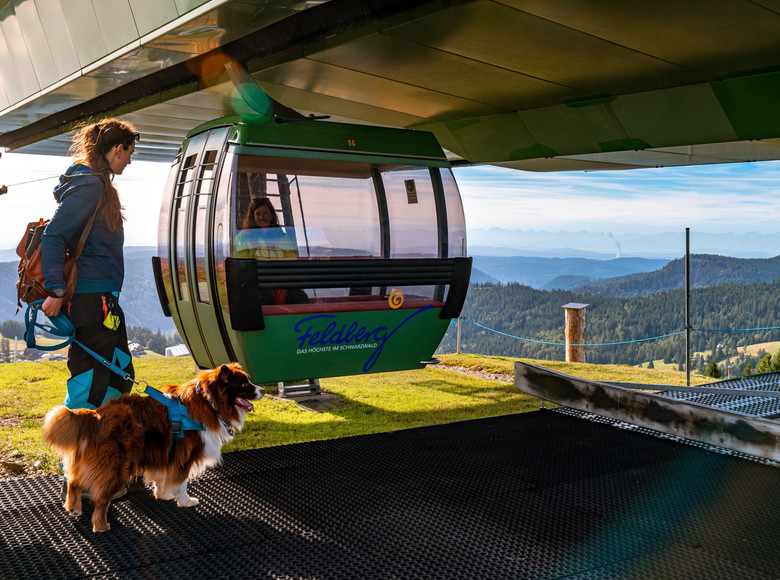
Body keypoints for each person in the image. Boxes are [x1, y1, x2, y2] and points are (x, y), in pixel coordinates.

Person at [41, 118, 139, 412]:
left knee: (119, 376)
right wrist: (56, 292)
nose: (130, 161)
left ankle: (104, 447)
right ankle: (72, 456)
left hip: (104, 301)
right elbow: (53, 235)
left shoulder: (98, 185)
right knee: (91, 383)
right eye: (131, 153)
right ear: (118, 149)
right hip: (90, 300)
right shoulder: (89, 186)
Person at [234, 197, 308, 305]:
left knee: (299, 298)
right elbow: (244, 268)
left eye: (265, 213)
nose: (262, 217)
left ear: (272, 215)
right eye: (258, 214)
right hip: (257, 284)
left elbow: (291, 263)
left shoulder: (282, 238)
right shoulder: (243, 238)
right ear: (252, 217)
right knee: (264, 300)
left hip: (281, 283)